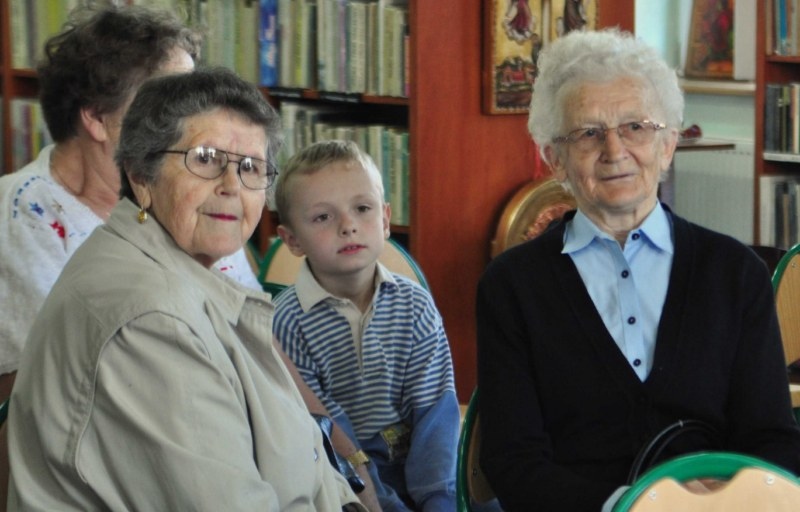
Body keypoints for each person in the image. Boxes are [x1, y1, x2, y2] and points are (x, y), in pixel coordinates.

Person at [7, 67, 367, 511]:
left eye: (251, 167)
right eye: (205, 158)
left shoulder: (175, 267)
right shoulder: (150, 320)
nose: (231, 186)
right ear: (142, 175)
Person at [476, 28, 800, 512]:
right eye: (588, 133)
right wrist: (632, 506)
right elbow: (514, 462)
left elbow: (773, 441)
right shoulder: (512, 287)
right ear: (554, 159)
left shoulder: (736, 275)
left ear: (667, 144)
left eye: (635, 127)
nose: (614, 150)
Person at [0, 4, 256, 401]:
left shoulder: (197, 191)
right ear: (97, 118)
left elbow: (256, 341)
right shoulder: (20, 215)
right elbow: (29, 391)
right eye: (170, 102)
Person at [272, 140, 459, 511]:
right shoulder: (286, 322)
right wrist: (381, 502)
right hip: (345, 477)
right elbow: (326, 432)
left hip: (428, 466)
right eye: (323, 217)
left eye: (362, 208)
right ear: (292, 240)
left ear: (385, 220)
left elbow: (435, 412)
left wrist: (439, 499)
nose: (348, 226)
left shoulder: (415, 305)